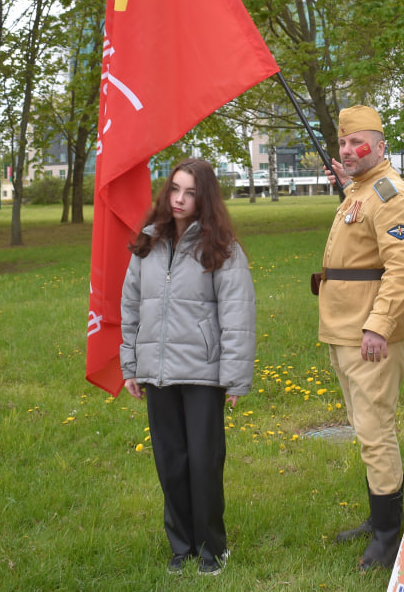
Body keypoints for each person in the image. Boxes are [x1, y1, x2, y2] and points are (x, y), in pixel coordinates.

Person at [120, 158, 255, 577]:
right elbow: (131, 306)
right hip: (157, 374)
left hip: (202, 373)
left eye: (190, 193)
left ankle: (213, 548)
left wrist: (235, 378)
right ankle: (181, 547)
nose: (179, 199)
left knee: (203, 463)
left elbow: (237, 315)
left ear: (204, 199)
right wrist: (130, 364)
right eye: (175, 189)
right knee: (171, 462)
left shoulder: (222, 248)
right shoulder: (148, 243)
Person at [315, 105, 404, 570]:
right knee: (364, 427)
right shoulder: (361, 190)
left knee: (376, 430)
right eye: (342, 143)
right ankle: (380, 518)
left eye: (357, 143)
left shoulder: (391, 194)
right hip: (343, 329)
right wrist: (349, 183)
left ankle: (388, 537)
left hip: (368, 333)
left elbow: (402, 270)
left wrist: (378, 325)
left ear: (380, 146)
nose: (347, 150)